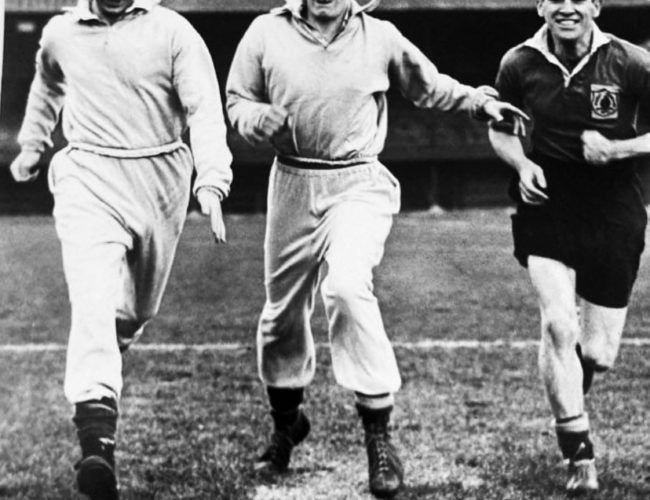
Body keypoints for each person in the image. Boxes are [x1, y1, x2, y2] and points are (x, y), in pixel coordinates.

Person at [226, 0, 527, 497]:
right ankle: (286, 424)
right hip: (292, 182)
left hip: (358, 181)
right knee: (281, 314)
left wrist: (480, 103)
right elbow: (238, 100)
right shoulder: (265, 32)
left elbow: (428, 86)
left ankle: (379, 434)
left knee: (346, 286)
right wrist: (254, 118)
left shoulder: (380, 36)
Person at [9, 0, 232, 498]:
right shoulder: (62, 33)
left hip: (160, 177)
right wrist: (33, 144)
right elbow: (48, 83)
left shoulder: (173, 32)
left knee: (132, 313)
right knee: (92, 298)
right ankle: (97, 442)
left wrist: (212, 182)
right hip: (87, 173)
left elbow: (204, 109)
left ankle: (107, 355)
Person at [488, 0, 650, 494]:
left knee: (597, 353)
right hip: (548, 199)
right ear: (541, 6)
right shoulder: (518, 62)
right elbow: (500, 129)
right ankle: (579, 455)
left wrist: (617, 148)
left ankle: (569, 384)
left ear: (595, 5)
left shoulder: (631, 62)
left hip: (614, 202)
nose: (566, 7)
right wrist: (522, 165)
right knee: (558, 323)